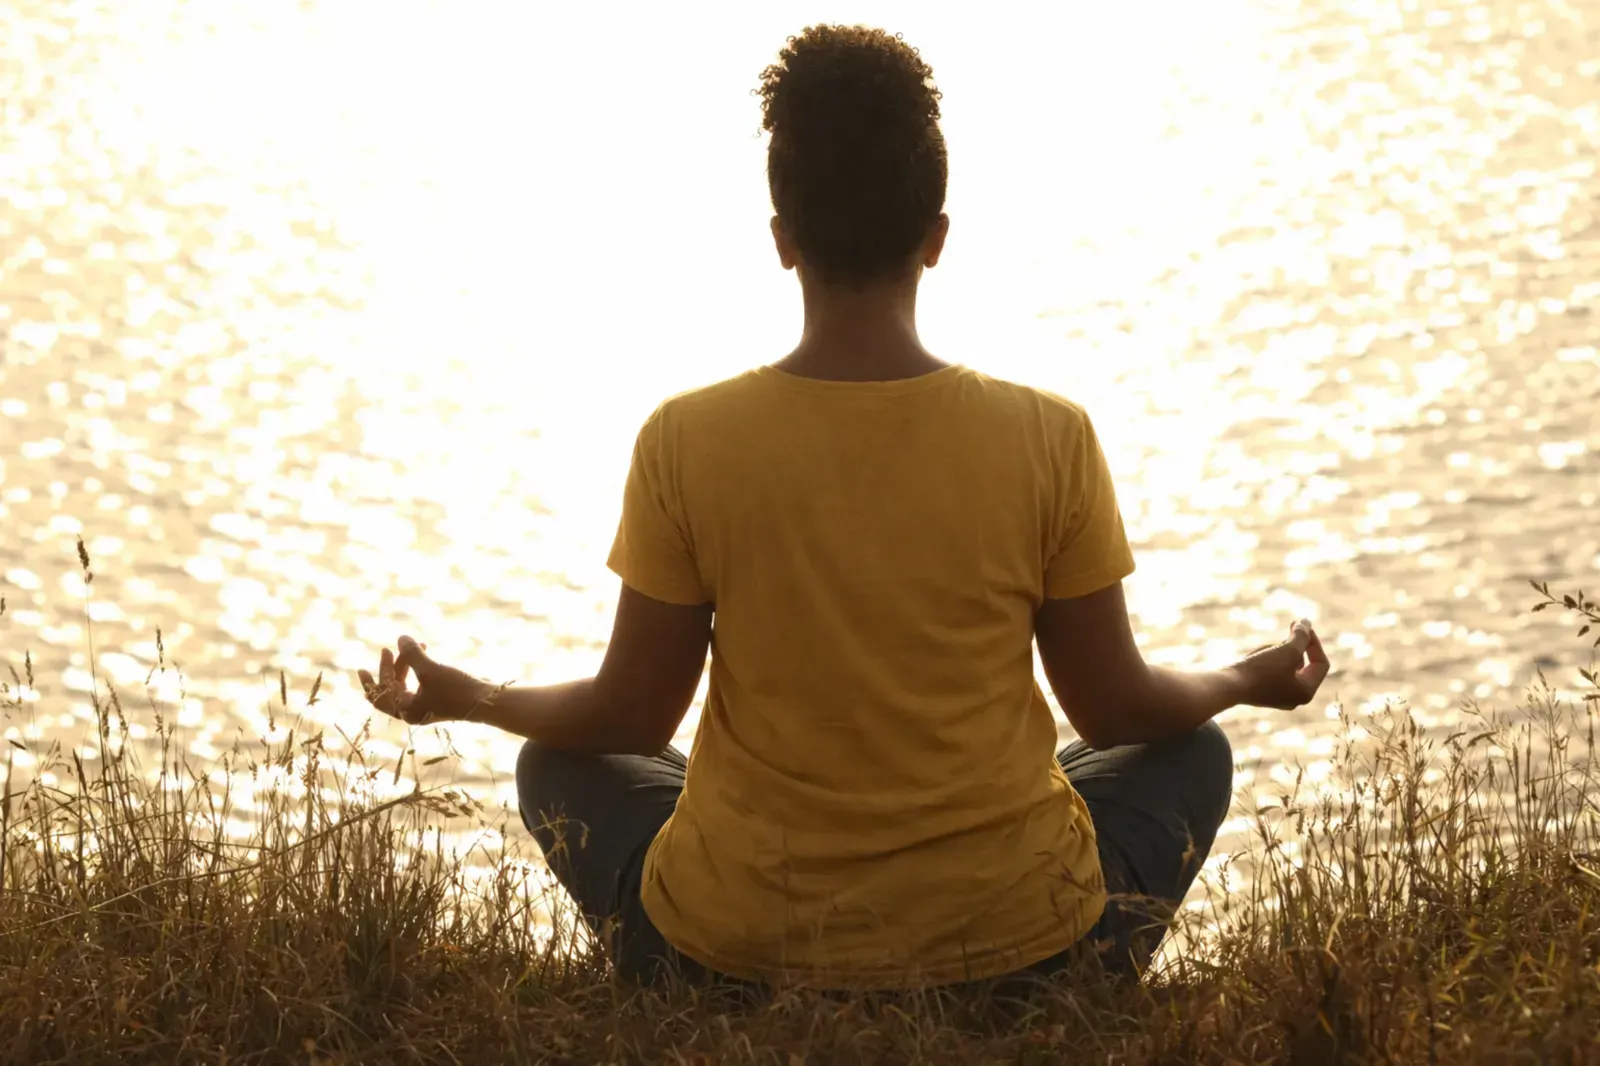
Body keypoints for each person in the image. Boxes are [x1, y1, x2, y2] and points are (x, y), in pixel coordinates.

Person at [358, 23, 1330, 992]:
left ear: (783, 241)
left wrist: (473, 697)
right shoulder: (1049, 436)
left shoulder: (685, 440)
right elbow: (1115, 708)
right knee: (1188, 751)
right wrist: (1241, 678)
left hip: (726, 962)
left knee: (554, 765)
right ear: (936, 236)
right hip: (1026, 957)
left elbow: (632, 712)